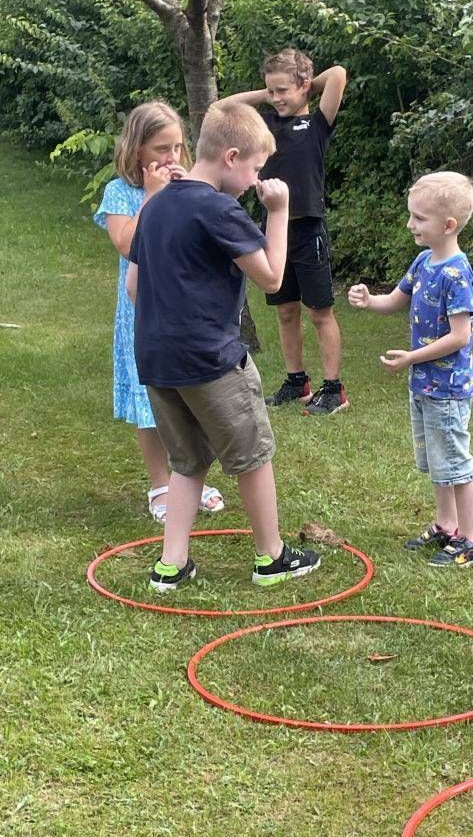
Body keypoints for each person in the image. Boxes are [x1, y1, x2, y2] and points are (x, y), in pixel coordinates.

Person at [126, 101, 321, 591]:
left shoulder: (156, 204)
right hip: (211, 360)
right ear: (231, 157)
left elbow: (133, 287)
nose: (256, 180)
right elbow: (272, 277)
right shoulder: (218, 208)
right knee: (252, 454)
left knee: (187, 460)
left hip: (157, 359)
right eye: (255, 168)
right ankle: (271, 557)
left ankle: (171, 564)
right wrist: (279, 211)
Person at [348, 172, 473, 567]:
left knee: (456, 463)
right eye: (411, 215)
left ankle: (471, 539)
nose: (410, 224)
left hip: (448, 387)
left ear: (448, 225)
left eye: (419, 218)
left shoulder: (456, 274)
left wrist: (412, 357)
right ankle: (446, 525)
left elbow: (460, 336)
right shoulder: (424, 261)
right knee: (437, 461)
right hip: (424, 385)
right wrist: (369, 300)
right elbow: (396, 299)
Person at [94, 101, 224, 523]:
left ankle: (191, 479)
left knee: (190, 399)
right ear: (137, 151)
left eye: (178, 147)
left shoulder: (186, 186)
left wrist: (189, 194)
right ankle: (160, 485)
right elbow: (127, 244)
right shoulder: (120, 193)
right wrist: (152, 197)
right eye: (161, 149)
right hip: (140, 314)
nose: (172, 157)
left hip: (181, 311)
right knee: (149, 403)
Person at [222, 48, 349, 415]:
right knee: (285, 311)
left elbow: (338, 73)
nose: (276, 98)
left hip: (309, 229)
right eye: (271, 91)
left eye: (282, 90)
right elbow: (224, 108)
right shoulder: (265, 125)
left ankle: (333, 389)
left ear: (305, 86)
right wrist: (269, 94)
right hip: (273, 232)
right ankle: (297, 381)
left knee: (319, 312)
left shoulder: (318, 124)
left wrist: (306, 87)